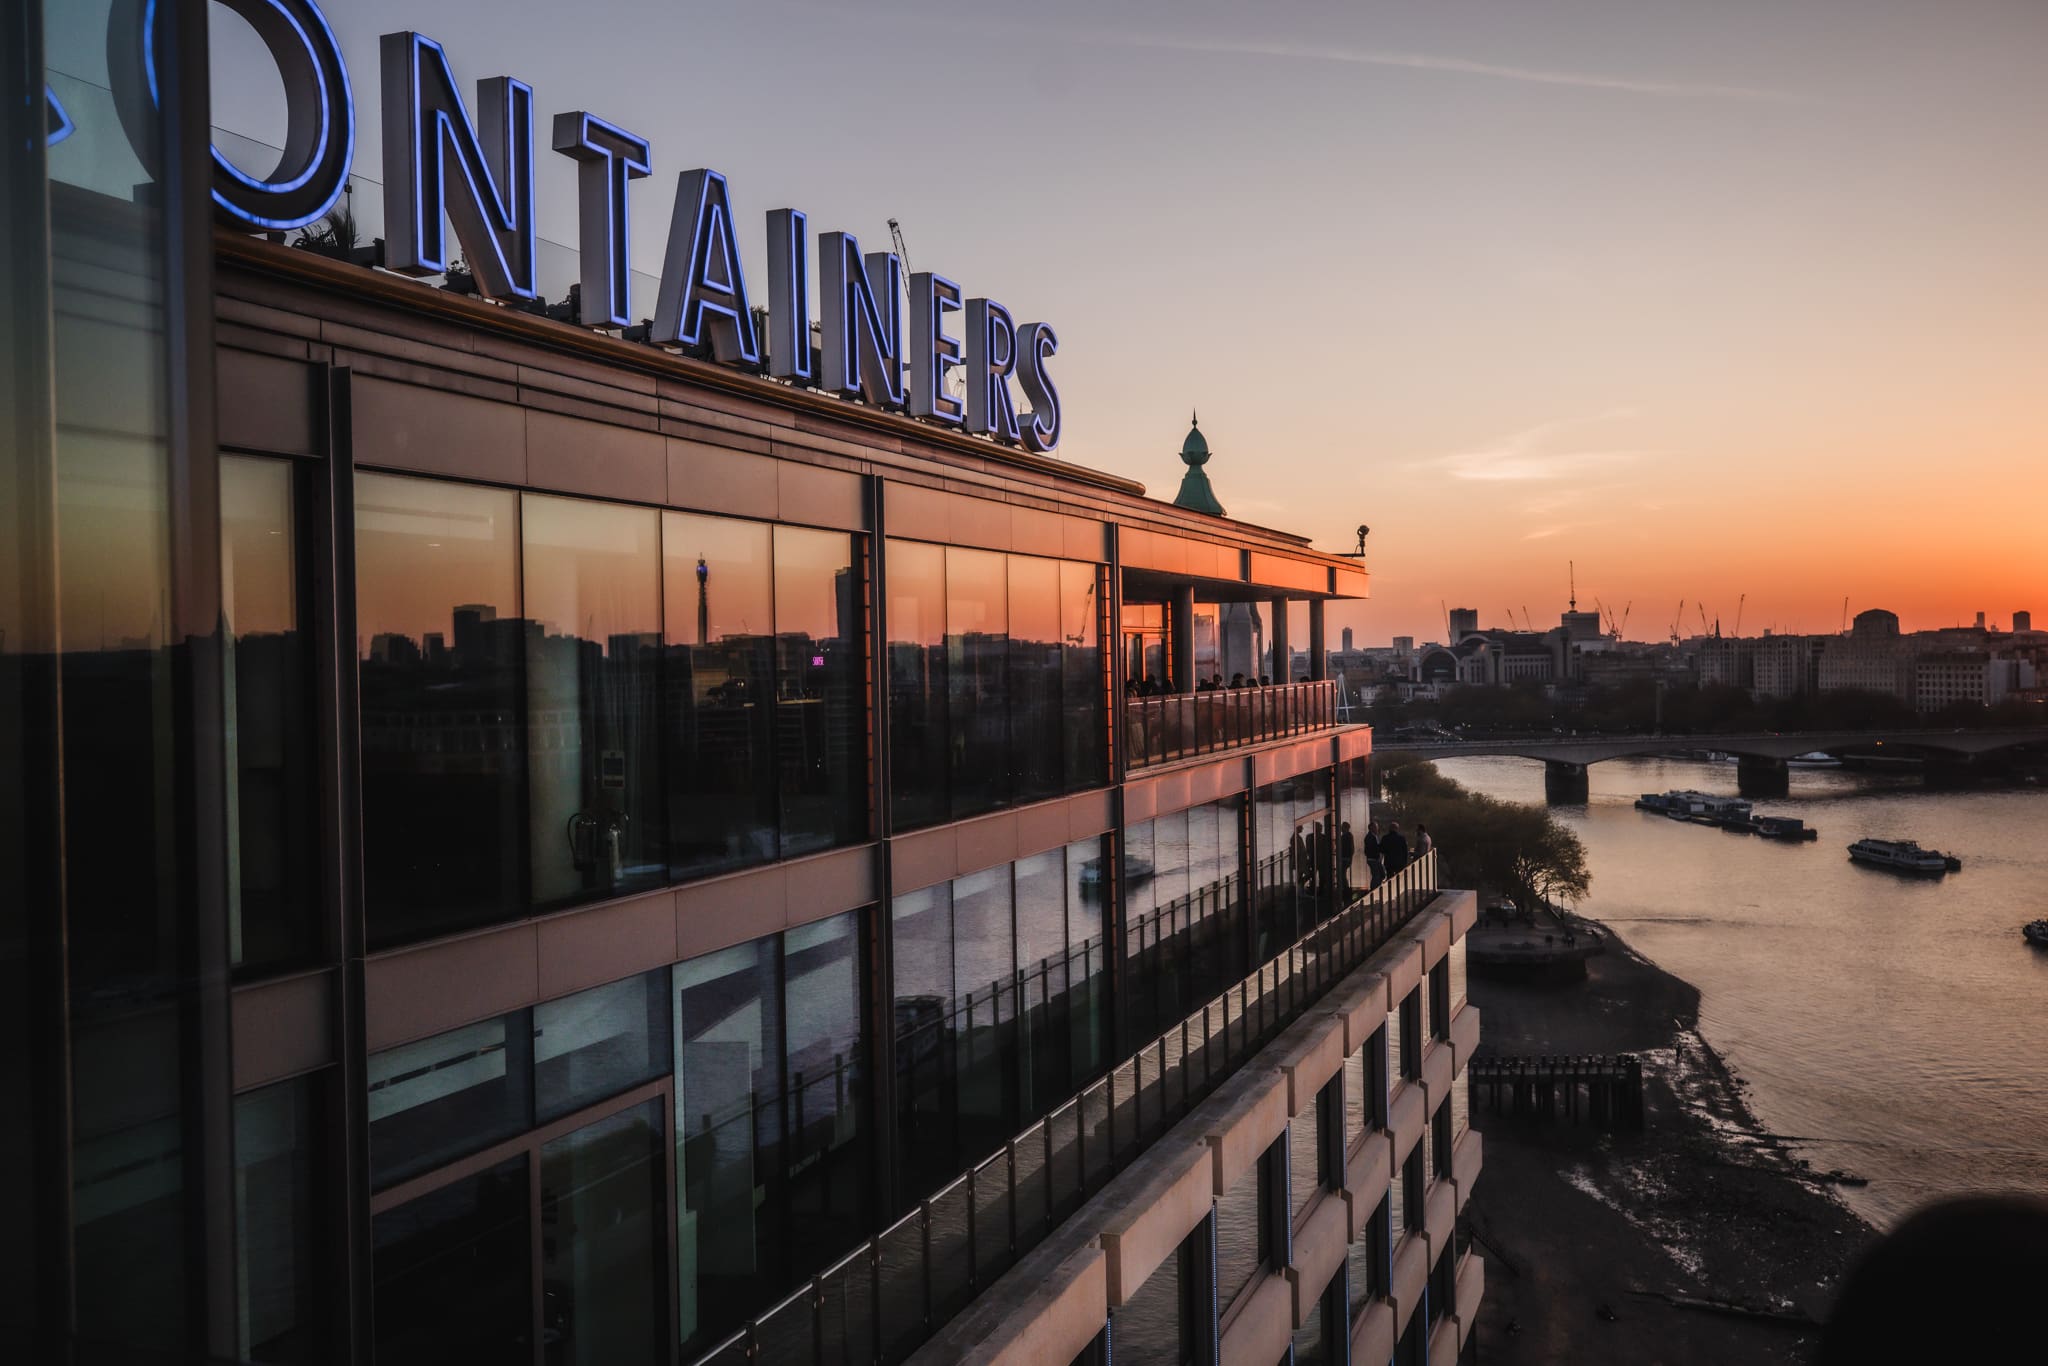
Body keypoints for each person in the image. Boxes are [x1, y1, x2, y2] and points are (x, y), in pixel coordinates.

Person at [1362, 819, 1385, 888]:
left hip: (1374, 858)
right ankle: (1374, 889)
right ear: (1371, 828)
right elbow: (1373, 848)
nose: (1377, 828)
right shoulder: (1371, 837)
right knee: (1376, 875)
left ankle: (1376, 888)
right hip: (1373, 859)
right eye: (1376, 827)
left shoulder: (1373, 836)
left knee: (1379, 874)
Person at [1338, 820, 1356, 897]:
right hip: (1345, 858)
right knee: (1342, 874)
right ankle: (1345, 888)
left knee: (1342, 874)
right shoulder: (1346, 836)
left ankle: (1345, 889)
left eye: (1342, 827)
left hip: (1345, 858)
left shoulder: (1347, 836)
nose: (1341, 828)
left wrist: (1349, 857)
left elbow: (1350, 848)